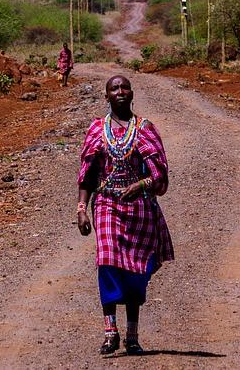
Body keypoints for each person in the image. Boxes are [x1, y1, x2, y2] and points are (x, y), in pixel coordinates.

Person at [76, 75, 174, 355]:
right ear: (106, 96)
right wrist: (82, 209)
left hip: (139, 209)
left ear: (132, 93)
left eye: (124, 87)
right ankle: (110, 332)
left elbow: (160, 175)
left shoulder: (145, 129)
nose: (119, 91)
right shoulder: (97, 129)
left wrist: (140, 184)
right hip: (106, 203)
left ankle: (132, 336)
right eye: (113, 89)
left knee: (134, 270)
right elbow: (88, 174)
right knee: (107, 261)